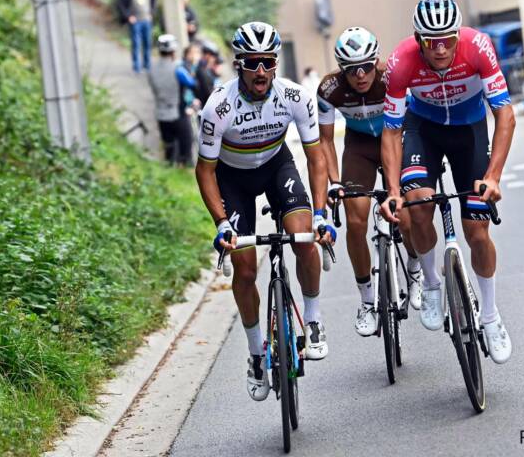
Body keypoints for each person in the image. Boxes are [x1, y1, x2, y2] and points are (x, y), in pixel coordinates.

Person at [196, 22, 336, 401]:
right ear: (239, 65)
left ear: (275, 64)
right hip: (233, 178)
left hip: (277, 167)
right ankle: (257, 354)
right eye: (253, 63)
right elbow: (204, 171)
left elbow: (316, 157)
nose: (261, 71)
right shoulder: (218, 108)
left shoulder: (294, 96)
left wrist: (321, 213)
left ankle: (314, 320)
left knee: (304, 238)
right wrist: (221, 222)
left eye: (268, 62)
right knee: (243, 266)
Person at [380, 0, 516, 364]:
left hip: (468, 131)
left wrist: (493, 176)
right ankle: (432, 283)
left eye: (447, 40)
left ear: (458, 35)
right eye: (430, 41)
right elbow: (391, 132)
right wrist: (393, 191)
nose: (440, 49)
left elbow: (504, 115)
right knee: (419, 204)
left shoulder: (478, 46)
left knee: (477, 231)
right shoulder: (400, 62)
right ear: (418, 39)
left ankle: (490, 316)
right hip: (423, 128)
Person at [317, 27, 423, 337]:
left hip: (397, 140)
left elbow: (418, 116)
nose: (361, 75)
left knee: (404, 216)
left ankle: (415, 271)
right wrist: (335, 182)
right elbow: (324, 141)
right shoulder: (329, 89)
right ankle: (366, 299)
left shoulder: (392, 76)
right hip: (359, 146)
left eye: (366, 66)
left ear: (376, 61)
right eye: (352, 70)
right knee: (356, 218)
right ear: (341, 69)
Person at [147, 34, 201, 166]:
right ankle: (185, 170)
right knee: (186, 147)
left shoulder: (151, 69)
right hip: (178, 114)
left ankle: (170, 169)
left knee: (169, 147)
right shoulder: (178, 70)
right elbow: (192, 84)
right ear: (173, 51)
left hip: (161, 114)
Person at [116, 0, 156, 73]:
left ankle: (147, 66)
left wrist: (151, 13)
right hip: (135, 21)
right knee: (136, 44)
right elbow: (120, 4)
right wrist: (128, 16)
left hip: (146, 20)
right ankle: (136, 67)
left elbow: (153, 1)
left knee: (147, 43)